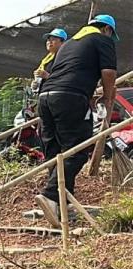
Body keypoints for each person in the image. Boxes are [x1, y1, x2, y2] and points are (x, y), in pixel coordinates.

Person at [35, 14, 118, 227]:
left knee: (56, 152)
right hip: (69, 97)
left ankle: (61, 202)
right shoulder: (103, 39)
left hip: (45, 98)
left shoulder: (69, 44)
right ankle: (51, 195)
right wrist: (108, 98)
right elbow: (108, 73)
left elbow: (70, 72)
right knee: (78, 150)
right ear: (107, 29)